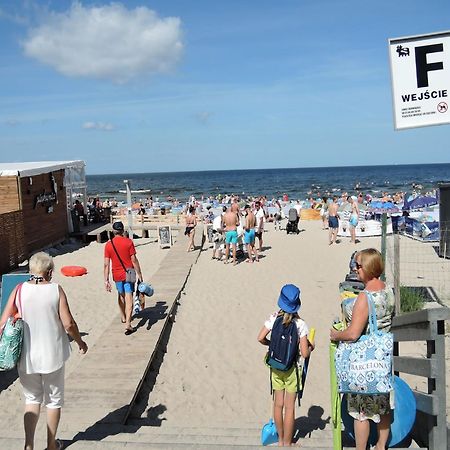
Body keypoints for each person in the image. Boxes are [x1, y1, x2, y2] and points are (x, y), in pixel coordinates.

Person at [0, 252, 88, 450]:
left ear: (31, 271)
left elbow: (3, 322)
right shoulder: (56, 290)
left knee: (32, 399)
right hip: (53, 355)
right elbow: (69, 324)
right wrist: (80, 342)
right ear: (49, 272)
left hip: (26, 357)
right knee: (54, 400)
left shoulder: (19, 289)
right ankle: (50, 445)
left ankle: (29, 445)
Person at [330, 249, 395, 450]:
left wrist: (335, 335)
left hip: (364, 360)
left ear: (368, 268)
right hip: (382, 357)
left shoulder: (365, 298)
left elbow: (353, 333)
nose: (355, 270)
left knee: (361, 412)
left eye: (358, 266)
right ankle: (381, 446)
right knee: (382, 405)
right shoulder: (388, 291)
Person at [257, 284, 314, 446]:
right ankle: (288, 443)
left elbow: (260, 337)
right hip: (292, 369)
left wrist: (271, 344)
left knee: (278, 404)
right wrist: (311, 346)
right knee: (289, 408)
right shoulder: (300, 324)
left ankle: (280, 440)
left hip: (275, 366)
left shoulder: (274, 317)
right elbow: (305, 353)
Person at [104, 221, 144, 335]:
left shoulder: (108, 245)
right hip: (129, 272)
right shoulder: (128, 242)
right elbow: (134, 260)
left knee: (121, 295)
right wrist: (140, 274)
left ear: (113, 231)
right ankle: (127, 324)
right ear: (122, 231)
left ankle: (123, 316)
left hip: (116, 274)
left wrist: (106, 280)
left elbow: (106, 264)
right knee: (129, 296)